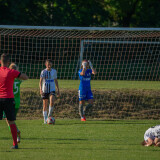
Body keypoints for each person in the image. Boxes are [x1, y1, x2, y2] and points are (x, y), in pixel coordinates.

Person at [0, 53, 28, 149]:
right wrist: (17, 74)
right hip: (8, 99)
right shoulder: (11, 72)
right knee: (11, 121)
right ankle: (15, 144)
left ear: (0, 62)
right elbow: (25, 77)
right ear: (8, 62)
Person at [3, 63, 22, 143]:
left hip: (9, 100)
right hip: (17, 101)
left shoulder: (9, 78)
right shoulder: (19, 80)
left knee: (8, 120)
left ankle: (16, 133)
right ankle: (17, 133)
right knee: (11, 119)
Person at [39, 59, 60, 124]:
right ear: (46, 65)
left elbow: (56, 80)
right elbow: (40, 81)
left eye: (50, 64)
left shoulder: (54, 71)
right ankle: (45, 120)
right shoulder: (43, 72)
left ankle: (49, 115)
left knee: (52, 101)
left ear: (52, 64)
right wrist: (40, 89)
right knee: (45, 105)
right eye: (48, 64)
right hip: (44, 89)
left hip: (52, 89)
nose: (49, 66)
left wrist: (58, 89)